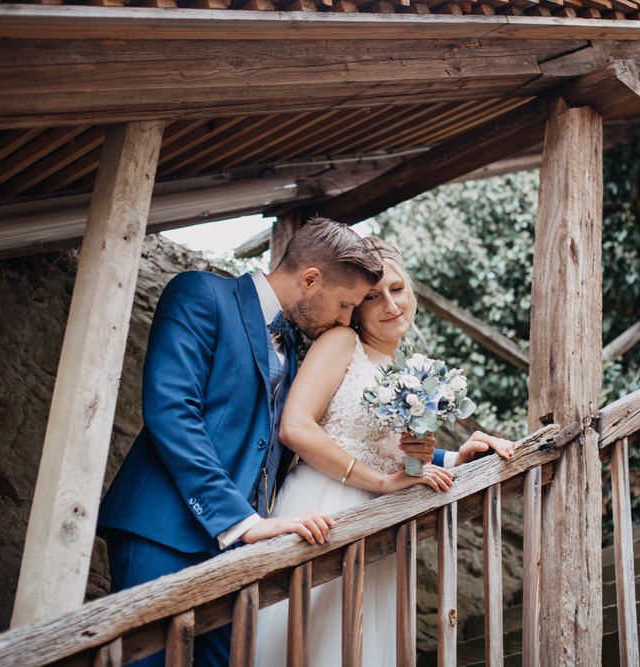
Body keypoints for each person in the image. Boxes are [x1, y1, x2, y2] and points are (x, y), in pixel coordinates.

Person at [97, 218, 383, 667]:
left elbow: (330, 433)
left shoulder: (295, 351)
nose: (346, 321)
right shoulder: (200, 295)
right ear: (311, 279)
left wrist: (435, 458)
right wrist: (242, 521)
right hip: (163, 530)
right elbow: (171, 411)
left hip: (236, 555)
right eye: (345, 305)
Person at [255, 237, 515, 666]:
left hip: (382, 522)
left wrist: (455, 458)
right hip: (326, 507)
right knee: (311, 644)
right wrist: (380, 481)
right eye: (373, 296)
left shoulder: (409, 368)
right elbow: (295, 427)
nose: (389, 305)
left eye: (397, 289)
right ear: (356, 305)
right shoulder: (341, 344)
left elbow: (399, 459)